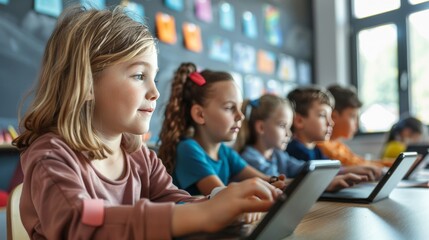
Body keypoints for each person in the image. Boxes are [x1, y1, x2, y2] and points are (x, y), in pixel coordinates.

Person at [12, 6, 282, 239]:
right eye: (140, 75)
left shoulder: (138, 153)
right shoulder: (51, 157)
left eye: (154, 77)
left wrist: (221, 202)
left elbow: (173, 200)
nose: (155, 92)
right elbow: (82, 220)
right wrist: (202, 213)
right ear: (87, 84)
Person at [158, 63, 287, 196]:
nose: (240, 116)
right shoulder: (187, 149)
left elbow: (266, 179)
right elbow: (223, 197)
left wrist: (279, 183)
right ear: (200, 114)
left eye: (239, 107)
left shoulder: (224, 152)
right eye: (230, 107)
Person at [234, 94, 369, 192]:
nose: (289, 133)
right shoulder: (250, 158)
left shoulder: (278, 155)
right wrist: (322, 184)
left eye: (289, 127)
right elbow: (276, 184)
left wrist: (345, 171)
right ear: (261, 127)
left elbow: (303, 168)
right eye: (283, 126)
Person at [286, 87, 382, 180]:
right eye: (322, 115)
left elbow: (332, 170)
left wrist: (352, 170)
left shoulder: (316, 150)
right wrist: (350, 171)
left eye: (330, 116)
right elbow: (314, 177)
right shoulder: (293, 150)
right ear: (299, 121)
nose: (331, 122)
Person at [316, 85, 385, 167]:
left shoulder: (339, 146)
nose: (357, 124)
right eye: (352, 116)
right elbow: (358, 164)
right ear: (333, 116)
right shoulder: (322, 146)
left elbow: (361, 161)